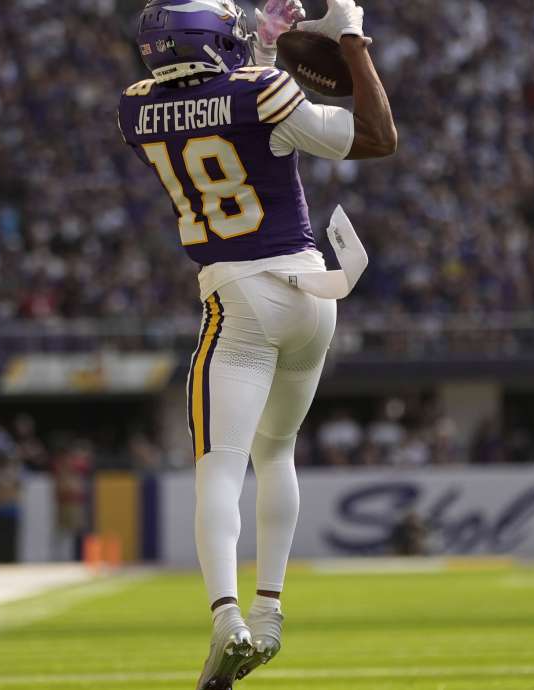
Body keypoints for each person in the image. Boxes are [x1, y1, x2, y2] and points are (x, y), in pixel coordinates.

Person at [117, 1, 396, 688]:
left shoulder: (135, 108)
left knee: (219, 465)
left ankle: (228, 620)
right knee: (276, 454)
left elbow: (223, 114)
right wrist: (353, 42)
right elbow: (373, 135)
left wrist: (266, 52)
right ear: (211, 42)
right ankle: (269, 613)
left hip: (238, 297)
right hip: (309, 291)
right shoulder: (258, 91)